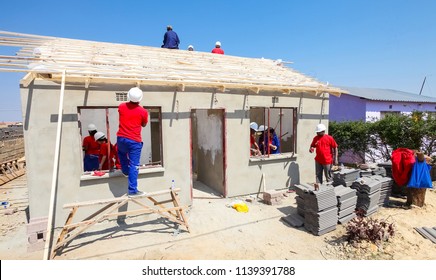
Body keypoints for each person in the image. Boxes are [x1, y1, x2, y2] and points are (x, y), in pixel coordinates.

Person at [117, 87, 149, 197]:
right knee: (134, 165)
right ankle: (132, 190)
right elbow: (144, 124)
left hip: (121, 138)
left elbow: (125, 112)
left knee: (121, 154)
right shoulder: (143, 112)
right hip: (134, 141)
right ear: (140, 99)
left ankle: (125, 171)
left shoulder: (121, 106)